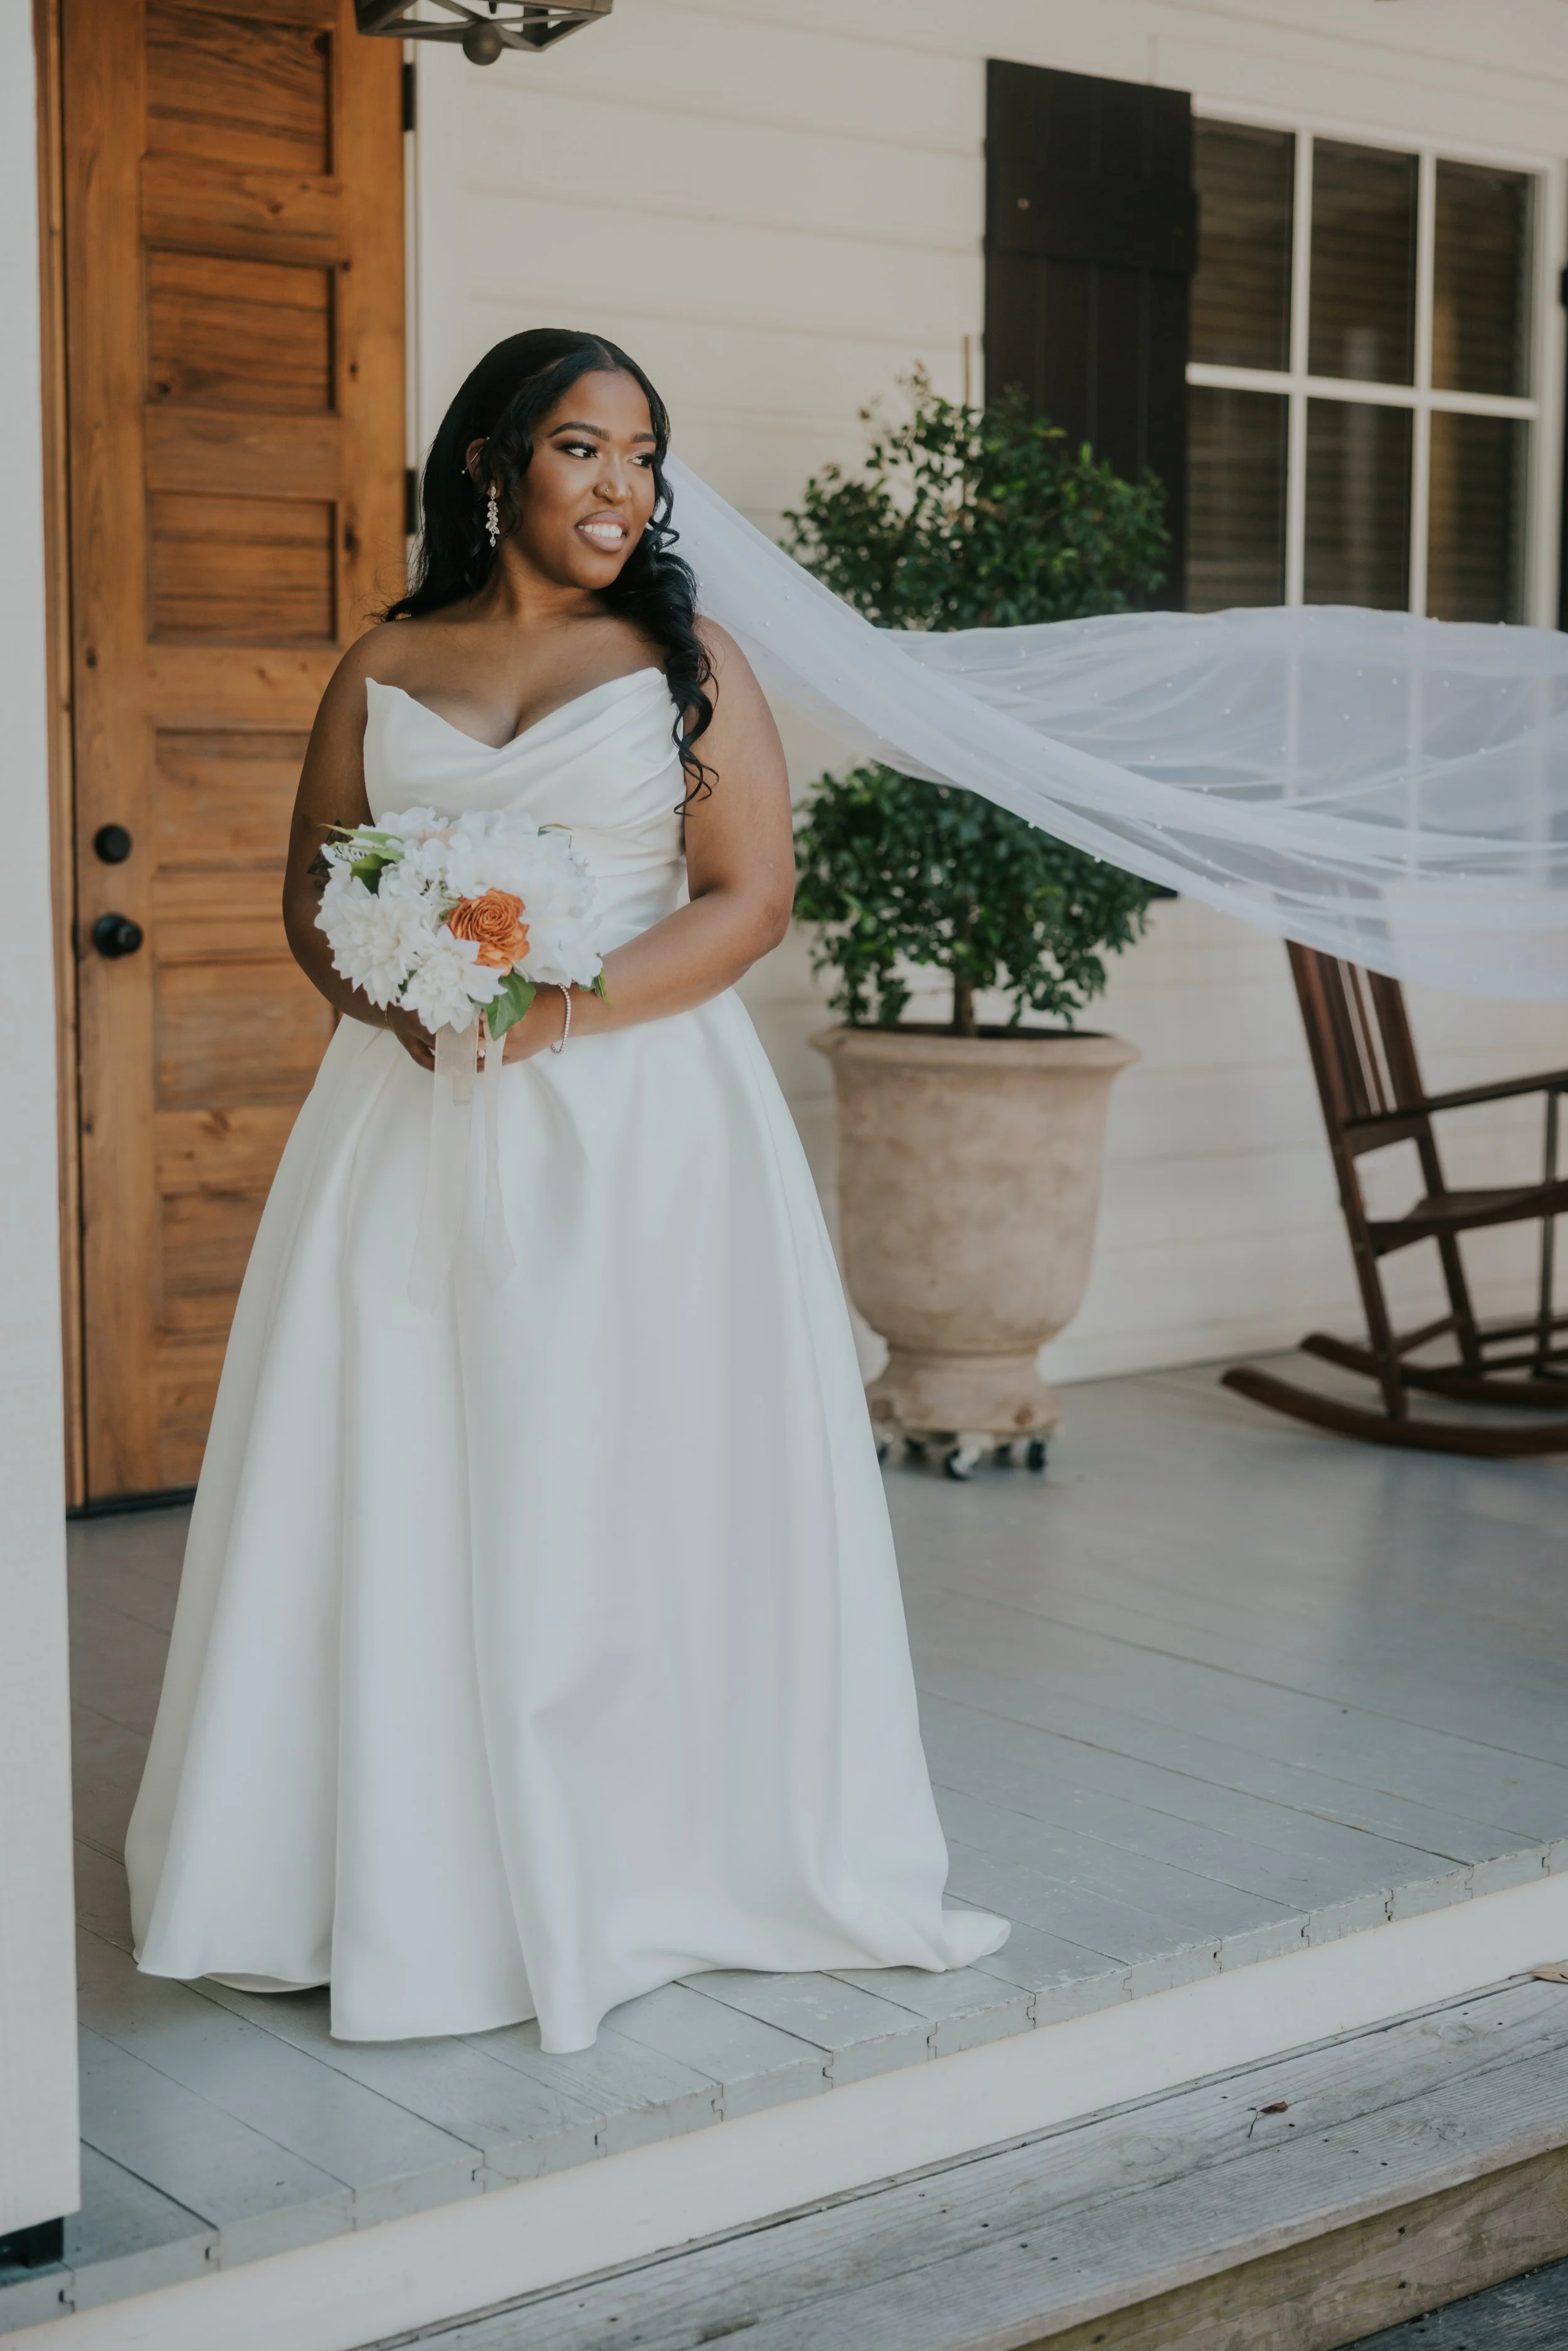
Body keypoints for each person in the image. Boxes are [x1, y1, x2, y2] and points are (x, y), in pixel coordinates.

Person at [125, 329, 1007, 2052]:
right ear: (492, 464)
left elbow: (747, 898)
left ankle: (640, 1848)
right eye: (583, 449)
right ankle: (376, 1862)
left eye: (641, 456)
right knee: (396, 1453)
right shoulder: (381, 657)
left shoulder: (686, 661)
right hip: (407, 1116)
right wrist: (396, 991)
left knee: (619, 1465)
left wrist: (554, 1007)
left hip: (642, 1127)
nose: (621, 488)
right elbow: (314, 896)